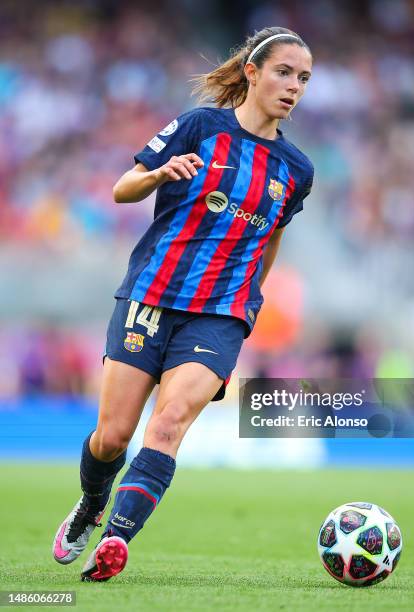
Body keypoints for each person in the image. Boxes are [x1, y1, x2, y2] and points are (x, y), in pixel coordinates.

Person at [52, 26, 314, 582]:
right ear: (252, 72)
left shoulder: (296, 170)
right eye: (284, 72)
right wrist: (157, 174)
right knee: (112, 438)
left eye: (304, 79)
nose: (294, 86)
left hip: (221, 312)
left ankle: (115, 542)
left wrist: (252, 302)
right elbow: (122, 187)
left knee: (169, 424)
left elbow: (270, 240)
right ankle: (93, 502)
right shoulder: (199, 127)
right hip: (151, 293)